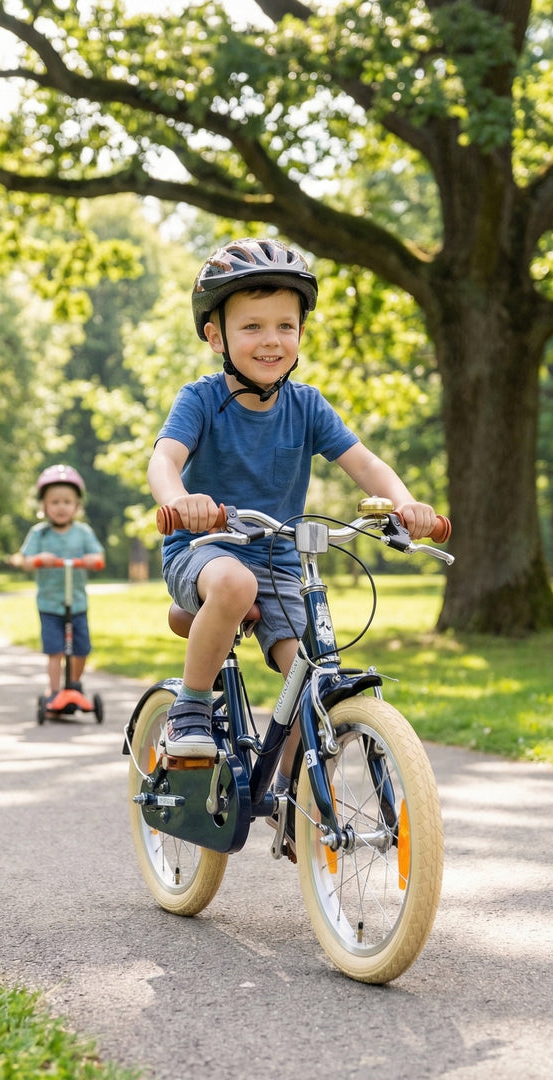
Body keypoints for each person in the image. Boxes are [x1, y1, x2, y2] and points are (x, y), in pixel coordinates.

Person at [147, 237, 438, 775]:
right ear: (216, 336)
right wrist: (180, 501)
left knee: (314, 679)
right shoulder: (201, 399)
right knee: (235, 585)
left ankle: (295, 803)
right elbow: (164, 460)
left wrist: (407, 505)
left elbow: (368, 466)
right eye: (252, 326)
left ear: (301, 333)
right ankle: (190, 709)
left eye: (285, 325)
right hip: (206, 549)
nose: (271, 340)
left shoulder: (307, 405)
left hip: (281, 562)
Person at [15, 465, 105, 707]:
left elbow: (98, 557)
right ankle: (54, 691)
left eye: (67, 501)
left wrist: (91, 560)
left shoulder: (83, 532)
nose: (61, 507)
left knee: (81, 648)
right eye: (54, 502)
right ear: (43, 506)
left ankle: (73, 684)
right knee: (55, 650)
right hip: (50, 604)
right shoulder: (39, 534)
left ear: (77, 505)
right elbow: (23, 561)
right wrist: (37, 560)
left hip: (76, 603)